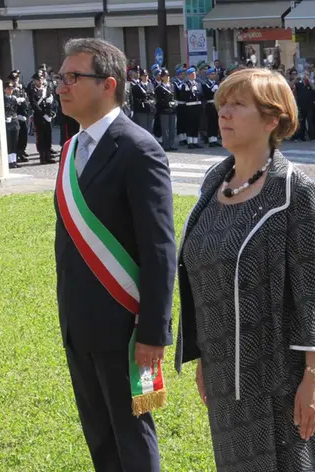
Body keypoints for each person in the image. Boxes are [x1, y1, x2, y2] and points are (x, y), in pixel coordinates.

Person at [174, 67, 315, 472]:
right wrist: (202, 357)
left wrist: (312, 378)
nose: (224, 114)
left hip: (278, 377)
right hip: (224, 373)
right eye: (222, 105)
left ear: (273, 119)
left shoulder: (294, 191)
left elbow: (313, 292)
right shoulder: (215, 182)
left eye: (238, 105)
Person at [54, 38, 176, 471]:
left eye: (73, 77)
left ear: (108, 84)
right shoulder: (71, 150)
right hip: (80, 324)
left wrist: (153, 332)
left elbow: (159, 248)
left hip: (128, 332)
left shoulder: (139, 149)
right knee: (100, 440)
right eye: (60, 77)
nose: (61, 86)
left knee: (133, 438)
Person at [28, 70, 56, 164]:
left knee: (48, 136)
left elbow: (50, 101)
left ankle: (48, 156)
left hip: (47, 117)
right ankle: (42, 157)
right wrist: (43, 114)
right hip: (39, 117)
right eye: (38, 80)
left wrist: (50, 109)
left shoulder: (46, 89)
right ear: (35, 81)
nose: (40, 82)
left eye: (41, 79)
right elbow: (34, 104)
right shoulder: (33, 90)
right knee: (41, 137)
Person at [180, 67, 204, 149]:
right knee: (190, 124)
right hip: (190, 106)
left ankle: (195, 141)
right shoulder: (185, 84)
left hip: (197, 106)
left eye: (194, 74)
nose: (194, 75)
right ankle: (190, 142)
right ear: (189, 75)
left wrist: (196, 91)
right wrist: (190, 91)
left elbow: (201, 94)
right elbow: (184, 96)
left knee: (196, 124)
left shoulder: (198, 84)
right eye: (193, 74)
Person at [155, 68, 179, 151]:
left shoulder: (172, 86)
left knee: (172, 128)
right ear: (162, 77)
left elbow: (175, 96)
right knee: (165, 129)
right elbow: (158, 100)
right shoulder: (159, 88)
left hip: (172, 110)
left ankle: (172, 144)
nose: (167, 77)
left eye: (168, 75)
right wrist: (166, 103)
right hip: (164, 111)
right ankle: (166, 145)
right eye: (165, 76)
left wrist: (175, 103)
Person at [202, 67, 222, 147]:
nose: (214, 75)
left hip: (216, 104)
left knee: (215, 123)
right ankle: (210, 140)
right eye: (212, 74)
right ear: (208, 75)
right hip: (209, 104)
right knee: (210, 123)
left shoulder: (216, 83)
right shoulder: (205, 84)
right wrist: (211, 90)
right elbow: (206, 94)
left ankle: (214, 139)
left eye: (214, 74)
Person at [3, 81, 20, 169]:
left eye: (11, 89)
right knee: (9, 142)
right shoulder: (3, 99)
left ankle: (14, 161)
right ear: (5, 89)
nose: (10, 90)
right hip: (7, 123)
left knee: (15, 142)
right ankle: (9, 161)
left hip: (14, 121)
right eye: (8, 89)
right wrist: (5, 117)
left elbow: (17, 110)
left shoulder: (14, 99)